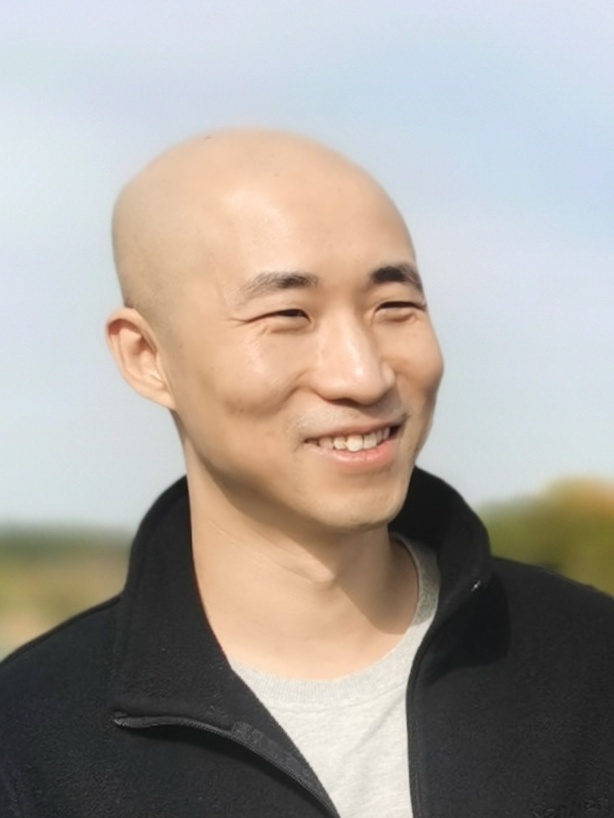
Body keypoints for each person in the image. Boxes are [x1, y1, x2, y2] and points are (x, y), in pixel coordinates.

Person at [0, 129, 613, 818]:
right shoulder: (29, 746)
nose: (363, 375)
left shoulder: (589, 667)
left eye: (395, 307)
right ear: (147, 357)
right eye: (288, 315)